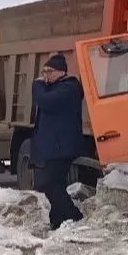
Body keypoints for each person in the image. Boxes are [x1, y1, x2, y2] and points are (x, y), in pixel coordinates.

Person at [31, 53, 85, 229]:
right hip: (55, 146)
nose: (45, 74)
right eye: (44, 71)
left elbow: (45, 102)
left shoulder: (69, 88)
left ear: (61, 72)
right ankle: (58, 218)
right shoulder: (56, 86)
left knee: (49, 182)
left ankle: (73, 216)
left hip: (62, 146)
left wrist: (37, 85)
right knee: (55, 183)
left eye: (49, 71)